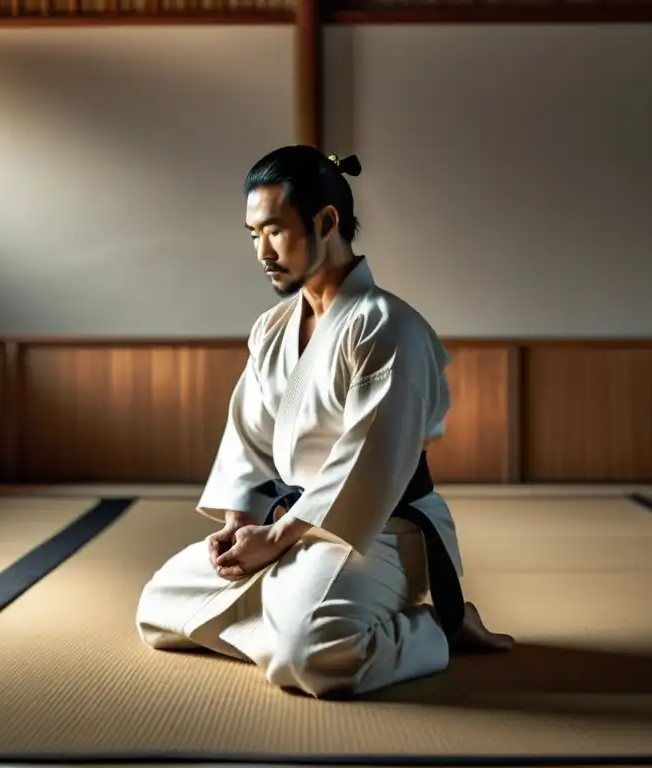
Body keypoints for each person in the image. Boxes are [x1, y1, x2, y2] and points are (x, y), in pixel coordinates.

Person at [136, 145, 513, 698]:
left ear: (326, 222)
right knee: (157, 609)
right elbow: (248, 441)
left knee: (310, 659)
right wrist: (240, 524)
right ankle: (293, 604)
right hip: (288, 525)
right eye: (252, 234)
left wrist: (279, 537)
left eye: (274, 230)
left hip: (379, 528)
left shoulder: (389, 328)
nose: (261, 251)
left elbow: (370, 464)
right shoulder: (273, 328)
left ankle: (437, 627)